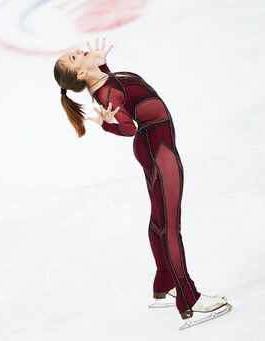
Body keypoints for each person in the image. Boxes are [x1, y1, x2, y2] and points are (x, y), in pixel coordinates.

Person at [53, 38, 231, 327]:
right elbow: (127, 127)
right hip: (158, 149)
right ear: (81, 75)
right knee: (171, 224)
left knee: (161, 218)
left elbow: (125, 98)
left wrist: (103, 66)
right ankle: (189, 299)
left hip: (154, 146)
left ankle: (164, 284)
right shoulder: (106, 92)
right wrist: (108, 123)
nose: (75, 51)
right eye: (72, 59)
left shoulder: (105, 81)